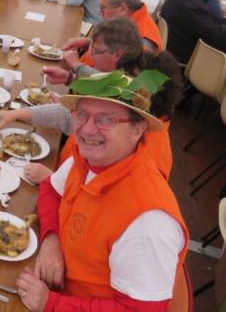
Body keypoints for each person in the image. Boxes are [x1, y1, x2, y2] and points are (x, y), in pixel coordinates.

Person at [15, 69, 188, 311]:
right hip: (50, 278)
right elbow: (51, 190)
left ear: (138, 129)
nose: (87, 130)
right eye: (82, 115)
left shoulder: (148, 222)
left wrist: (51, 303)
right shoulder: (91, 160)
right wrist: (51, 241)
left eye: (106, 119)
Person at [0, 18, 178, 183]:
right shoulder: (131, 115)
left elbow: (101, 203)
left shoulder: (149, 161)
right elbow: (70, 118)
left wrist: (52, 179)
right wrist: (16, 114)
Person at [63, 0, 162, 69]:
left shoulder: (143, 41)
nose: (100, 13)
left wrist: (77, 66)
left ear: (122, 8)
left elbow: (119, 80)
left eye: (103, 8)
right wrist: (88, 43)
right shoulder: (127, 22)